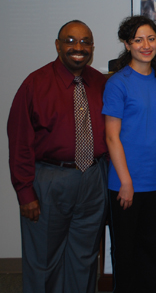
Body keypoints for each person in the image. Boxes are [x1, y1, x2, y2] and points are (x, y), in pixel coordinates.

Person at [7, 20, 108, 293]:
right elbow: (19, 142)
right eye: (71, 40)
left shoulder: (99, 83)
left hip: (92, 180)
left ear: (92, 48)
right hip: (50, 181)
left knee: (84, 259)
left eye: (85, 42)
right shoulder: (35, 84)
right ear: (58, 45)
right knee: (44, 260)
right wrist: (24, 192)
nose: (79, 47)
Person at [103, 15, 156, 293]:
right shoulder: (118, 83)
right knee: (126, 253)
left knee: (152, 251)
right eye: (138, 39)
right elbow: (112, 136)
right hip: (125, 184)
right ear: (127, 44)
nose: (146, 45)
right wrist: (126, 182)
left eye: (151, 38)